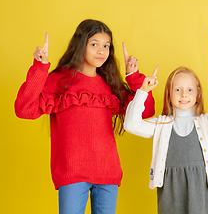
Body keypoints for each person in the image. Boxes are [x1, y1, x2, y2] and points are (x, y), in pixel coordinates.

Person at [14, 19, 155, 214]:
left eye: (106, 46)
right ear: (81, 45)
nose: (101, 51)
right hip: (72, 173)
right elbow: (24, 109)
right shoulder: (60, 80)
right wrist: (40, 67)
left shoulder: (109, 83)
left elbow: (145, 111)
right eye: (94, 44)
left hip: (108, 173)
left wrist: (134, 77)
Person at [124, 65, 208, 214]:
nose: (184, 94)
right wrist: (143, 92)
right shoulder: (162, 123)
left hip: (201, 188)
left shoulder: (207, 121)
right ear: (169, 93)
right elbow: (131, 125)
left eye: (190, 89)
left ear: (198, 93)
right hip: (170, 190)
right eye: (178, 89)